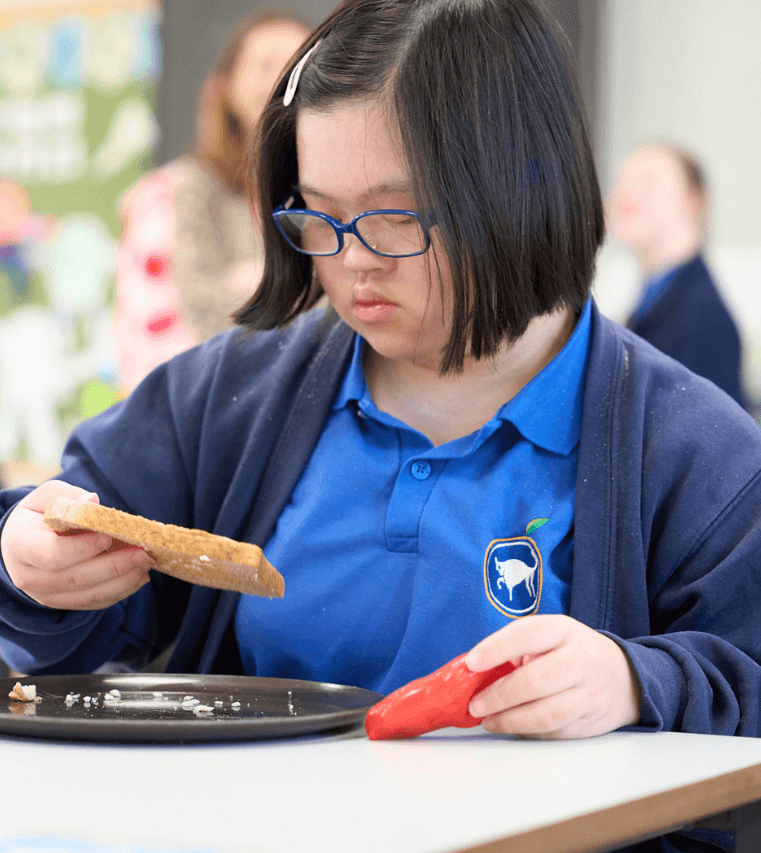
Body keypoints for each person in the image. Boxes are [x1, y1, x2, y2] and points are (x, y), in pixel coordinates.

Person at [1, 2, 761, 844]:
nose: (350, 260)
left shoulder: (698, 454)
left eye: (394, 217)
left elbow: (745, 679)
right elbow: (68, 622)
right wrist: (31, 568)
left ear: (517, 187)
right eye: (317, 216)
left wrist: (636, 680)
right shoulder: (230, 395)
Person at [114, 12, 309, 393]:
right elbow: (199, 313)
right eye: (265, 64)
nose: (284, 79)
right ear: (228, 85)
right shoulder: (177, 191)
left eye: (300, 63)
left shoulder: (334, 190)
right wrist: (308, 290)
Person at [607, 143, 748, 409]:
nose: (625, 195)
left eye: (647, 182)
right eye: (620, 182)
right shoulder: (654, 301)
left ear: (693, 199)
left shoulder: (702, 319)